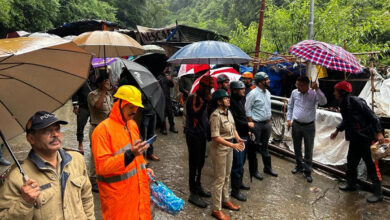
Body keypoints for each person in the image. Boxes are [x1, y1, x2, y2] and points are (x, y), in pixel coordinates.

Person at [0, 111, 95, 219]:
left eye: (57, 129)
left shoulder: (76, 159)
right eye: (47, 131)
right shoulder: (17, 177)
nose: (55, 134)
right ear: (31, 139)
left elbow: (86, 197)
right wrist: (25, 203)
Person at [91, 85, 154, 219]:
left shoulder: (132, 125)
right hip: (117, 201)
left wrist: (145, 168)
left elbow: (138, 156)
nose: (134, 111)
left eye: (136, 107)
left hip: (137, 196)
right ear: (119, 103)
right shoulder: (102, 131)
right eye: (130, 107)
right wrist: (130, 154)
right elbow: (102, 168)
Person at [330, 81, 385, 203]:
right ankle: (351, 184)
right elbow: (347, 120)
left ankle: (378, 193)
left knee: (371, 166)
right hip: (355, 139)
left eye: (336, 91)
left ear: (341, 92)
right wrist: (337, 130)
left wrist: (379, 132)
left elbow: (373, 117)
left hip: (366, 139)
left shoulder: (356, 101)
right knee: (351, 163)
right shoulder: (344, 103)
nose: (334, 93)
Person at [209, 89, 244, 220]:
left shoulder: (228, 112)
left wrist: (238, 138)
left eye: (228, 98)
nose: (228, 99)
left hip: (229, 147)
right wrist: (233, 145)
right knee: (219, 179)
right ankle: (216, 209)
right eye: (225, 98)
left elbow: (233, 128)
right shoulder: (215, 116)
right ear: (219, 102)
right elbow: (215, 137)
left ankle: (225, 200)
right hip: (219, 149)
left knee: (227, 176)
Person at [287, 76, 327, 183]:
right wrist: (288, 119)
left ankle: (308, 170)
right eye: (297, 85)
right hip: (296, 124)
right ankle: (299, 166)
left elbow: (323, 102)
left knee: (308, 149)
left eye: (300, 85)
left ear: (306, 85)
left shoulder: (313, 93)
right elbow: (290, 106)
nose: (298, 87)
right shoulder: (294, 93)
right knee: (297, 147)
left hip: (309, 126)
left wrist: (317, 89)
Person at [185, 75, 214, 208]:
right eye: (208, 88)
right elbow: (194, 113)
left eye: (211, 88)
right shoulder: (194, 97)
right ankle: (193, 193)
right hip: (193, 135)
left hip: (202, 135)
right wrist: (205, 103)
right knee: (194, 164)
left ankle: (198, 186)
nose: (210, 91)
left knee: (201, 162)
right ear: (202, 87)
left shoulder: (205, 98)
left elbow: (205, 117)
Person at [245, 72, 278, 180]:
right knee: (254, 148)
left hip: (266, 124)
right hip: (256, 124)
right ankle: (254, 171)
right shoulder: (253, 93)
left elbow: (268, 107)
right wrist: (251, 124)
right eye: (266, 79)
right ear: (260, 82)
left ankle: (267, 168)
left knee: (265, 147)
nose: (269, 80)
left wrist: (269, 119)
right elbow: (247, 109)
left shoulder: (267, 92)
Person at [87, 73, 113, 192]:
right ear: (99, 83)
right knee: (95, 154)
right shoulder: (92, 95)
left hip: (107, 128)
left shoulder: (109, 95)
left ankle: (104, 175)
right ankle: (93, 180)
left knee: (108, 153)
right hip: (96, 128)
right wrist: (103, 91)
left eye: (108, 80)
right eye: (105, 81)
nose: (107, 83)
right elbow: (97, 106)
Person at [229, 81, 251, 201]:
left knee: (242, 162)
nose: (244, 90)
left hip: (244, 134)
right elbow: (235, 121)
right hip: (236, 136)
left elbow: (242, 116)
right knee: (237, 163)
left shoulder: (241, 100)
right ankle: (235, 191)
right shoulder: (231, 103)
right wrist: (248, 124)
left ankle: (240, 183)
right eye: (241, 89)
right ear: (234, 90)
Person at [72, 67, 96, 153]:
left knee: (95, 126)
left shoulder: (95, 78)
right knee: (80, 125)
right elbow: (74, 93)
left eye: (90, 70)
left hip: (94, 107)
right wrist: (75, 106)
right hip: (83, 107)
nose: (89, 71)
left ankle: (93, 142)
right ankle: (80, 143)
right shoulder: (79, 80)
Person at [158, 66, 178, 135]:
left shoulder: (167, 76)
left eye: (166, 68)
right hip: (161, 98)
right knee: (163, 114)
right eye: (165, 68)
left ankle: (172, 127)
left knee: (170, 113)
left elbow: (172, 85)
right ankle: (163, 128)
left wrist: (170, 80)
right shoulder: (158, 77)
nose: (166, 69)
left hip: (168, 98)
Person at [140, 94, 159, 161]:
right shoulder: (140, 86)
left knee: (151, 135)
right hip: (144, 113)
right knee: (142, 136)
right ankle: (142, 157)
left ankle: (149, 153)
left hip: (153, 112)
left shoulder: (153, 87)